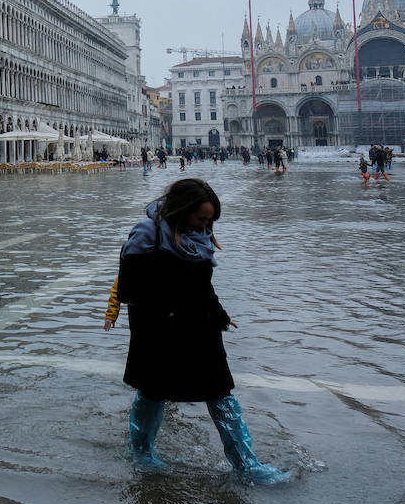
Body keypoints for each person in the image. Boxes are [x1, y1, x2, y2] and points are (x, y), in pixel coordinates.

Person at [116, 178, 293, 483]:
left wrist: (220, 314)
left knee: (221, 394)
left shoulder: (199, 236)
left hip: (199, 326)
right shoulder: (146, 235)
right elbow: (129, 289)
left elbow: (202, 284)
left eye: (210, 220)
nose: (205, 225)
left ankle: (247, 465)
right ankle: (141, 453)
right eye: (201, 218)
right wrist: (167, 311)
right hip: (157, 330)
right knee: (153, 393)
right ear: (181, 210)